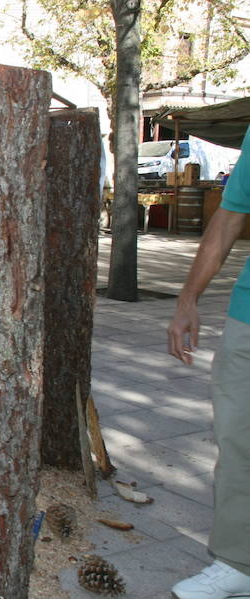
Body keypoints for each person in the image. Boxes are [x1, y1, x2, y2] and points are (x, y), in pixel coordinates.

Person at [167, 128, 250, 599]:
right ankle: (239, 562)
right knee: (238, 438)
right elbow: (230, 216)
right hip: (248, 314)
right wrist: (187, 300)